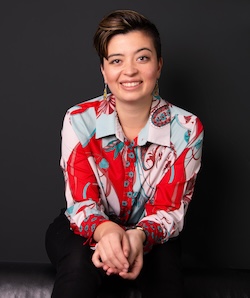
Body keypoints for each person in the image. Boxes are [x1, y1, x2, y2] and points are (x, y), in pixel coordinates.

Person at [45, 9, 204, 298]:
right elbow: (82, 203)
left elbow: (169, 211)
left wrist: (137, 236)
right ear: (104, 71)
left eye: (142, 58)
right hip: (85, 227)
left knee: (165, 275)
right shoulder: (79, 119)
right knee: (78, 268)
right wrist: (107, 232)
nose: (129, 70)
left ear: (158, 65)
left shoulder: (187, 128)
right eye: (116, 60)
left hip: (152, 234)